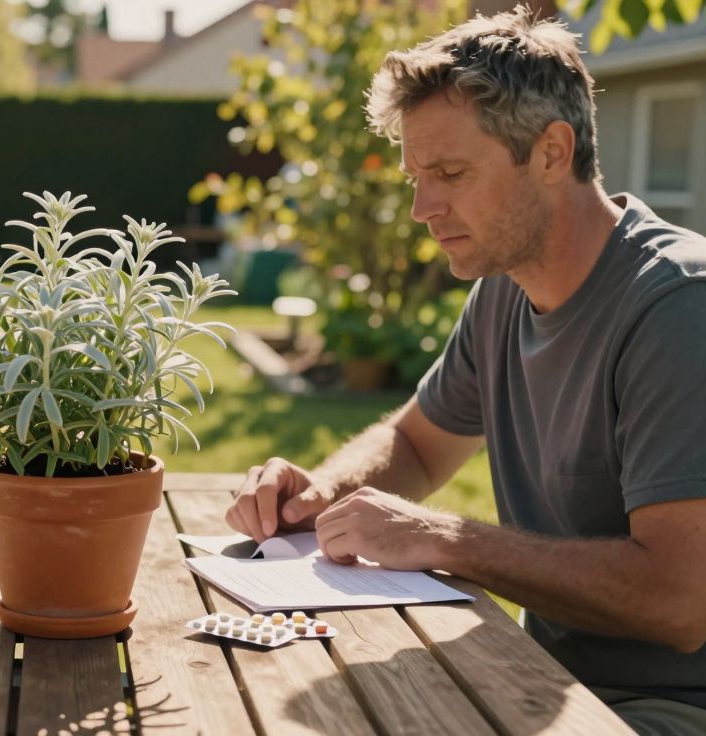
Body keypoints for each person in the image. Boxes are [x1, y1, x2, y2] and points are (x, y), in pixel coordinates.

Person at [225, 7, 706, 734]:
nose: (422, 207)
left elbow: (681, 602)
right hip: (543, 677)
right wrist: (320, 495)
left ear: (551, 152)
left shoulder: (677, 309)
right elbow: (418, 445)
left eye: (449, 173)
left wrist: (446, 538)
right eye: (418, 176)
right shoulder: (505, 290)